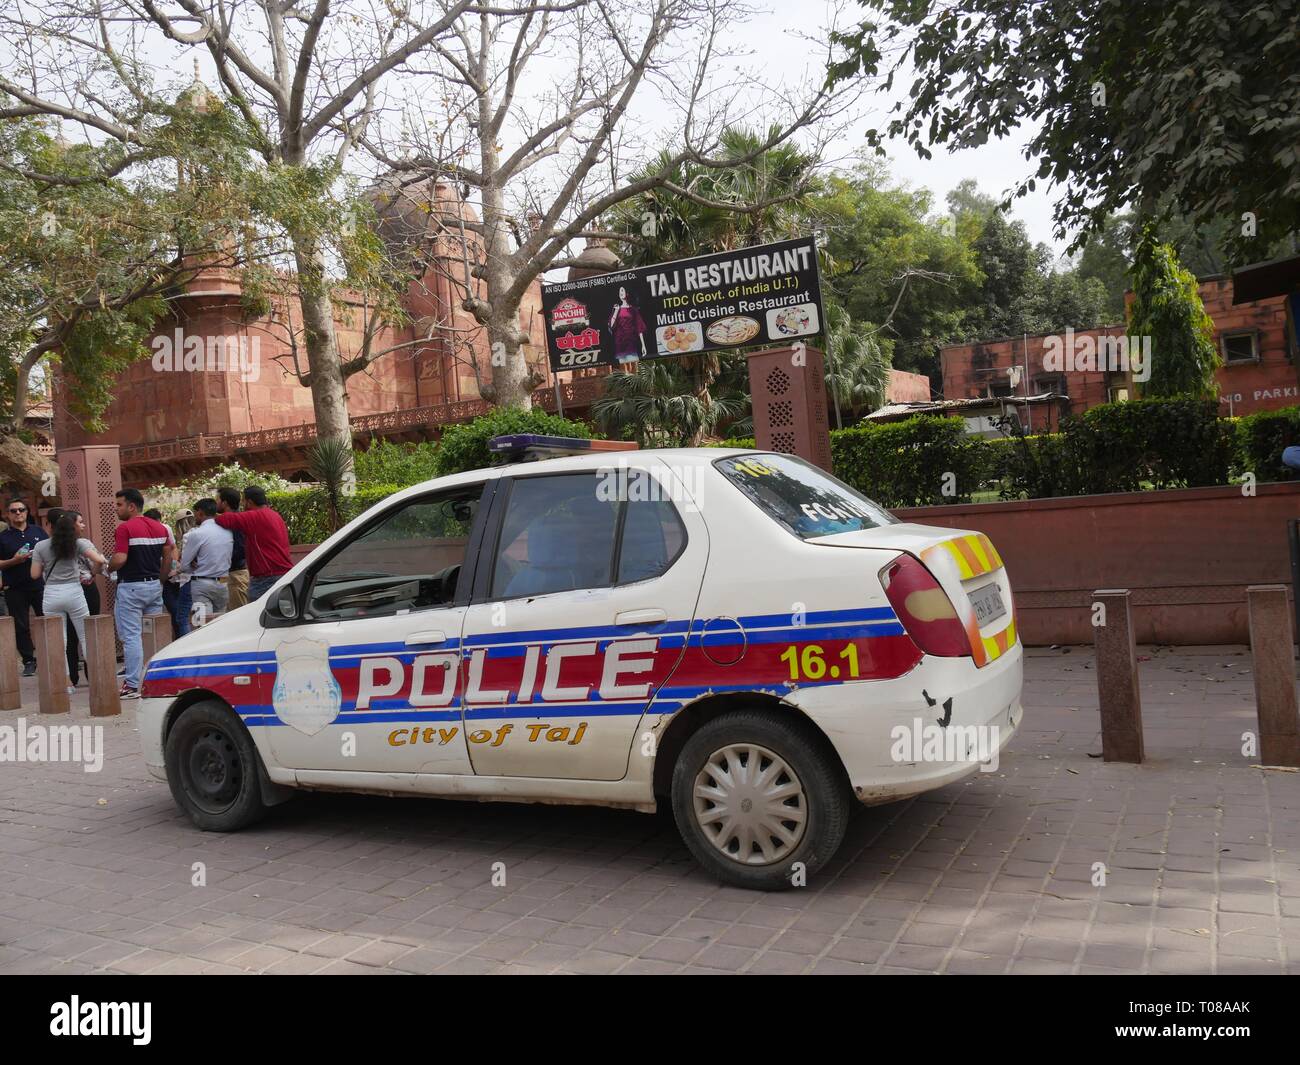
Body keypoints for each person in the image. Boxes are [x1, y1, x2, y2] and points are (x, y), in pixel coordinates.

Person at [30, 513, 106, 694]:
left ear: (49, 526)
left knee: (58, 641)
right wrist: (92, 573)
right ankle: (96, 680)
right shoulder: (77, 544)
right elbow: (99, 560)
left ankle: (66, 684)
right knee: (86, 637)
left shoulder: (41, 546)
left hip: (51, 595)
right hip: (75, 592)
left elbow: (34, 575)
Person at [108, 488, 173, 699]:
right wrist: (161, 580)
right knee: (153, 634)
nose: (116, 509)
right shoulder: (160, 528)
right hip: (154, 586)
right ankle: (157, 680)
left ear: (131, 506)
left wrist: (107, 568)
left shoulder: (125, 528)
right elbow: (168, 557)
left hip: (131, 588)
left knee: (131, 637)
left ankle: (133, 684)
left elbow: (119, 559)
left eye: (119, 504)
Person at [214, 485, 292, 601]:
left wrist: (209, 515)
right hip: (283, 574)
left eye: (244, 501)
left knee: (254, 617)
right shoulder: (275, 515)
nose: (242, 505)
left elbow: (224, 519)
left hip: (266, 578)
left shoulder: (253, 516)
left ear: (249, 502)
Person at [0, 498, 47, 676]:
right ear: (7, 515)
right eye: (13, 511)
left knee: (47, 620)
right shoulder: (3, 537)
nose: (18, 513)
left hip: (39, 585)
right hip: (14, 587)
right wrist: (15, 560)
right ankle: (28, 660)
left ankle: (52, 655)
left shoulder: (38, 532)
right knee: (21, 626)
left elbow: (49, 554)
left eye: (21, 509)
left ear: (27, 512)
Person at [182, 498, 233, 620]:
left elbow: (184, 565)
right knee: (220, 623)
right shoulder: (227, 532)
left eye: (195, 513)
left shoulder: (197, 534)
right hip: (223, 583)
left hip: (202, 584)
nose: (195, 517)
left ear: (200, 512)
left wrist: (192, 567)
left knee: (201, 624)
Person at [217, 487, 250, 609]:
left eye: (218, 500)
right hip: (229, 574)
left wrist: (222, 558)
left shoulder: (235, 520)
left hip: (236, 573)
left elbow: (240, 547)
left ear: (224, 503)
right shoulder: (228, 519)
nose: (216, 503)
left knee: (239, 613)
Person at [608, 286, 648, 365]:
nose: (621, 292)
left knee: (635, 367)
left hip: (631, 342)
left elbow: (639, 327)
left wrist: (643, 345)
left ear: (627, 293)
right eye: (619, 291)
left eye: (622, 290)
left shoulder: (633, 310)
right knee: (624, 370)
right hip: (620, 343)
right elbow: (611, 326)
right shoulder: (616, 308)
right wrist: (616, 311)